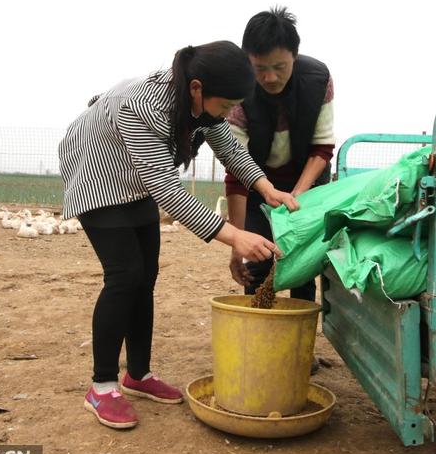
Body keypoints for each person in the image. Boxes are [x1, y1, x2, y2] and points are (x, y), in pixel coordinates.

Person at [58, 40, 299, 430]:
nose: (224, 114)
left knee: (145, 275)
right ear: (197, 88)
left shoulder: (200, 102)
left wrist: (267, 188)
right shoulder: (143, 108)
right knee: (124, 277)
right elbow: (168, 190)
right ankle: (101, 387)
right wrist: (235, 236)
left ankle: (138, 374)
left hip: (136, 180)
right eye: (223, 106)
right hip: (97, 173)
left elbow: (230, 149)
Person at [225, 7, 335, 303]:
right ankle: (257, 326)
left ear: (294, 57)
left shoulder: (318, 78)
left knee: (302, 262)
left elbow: (322, 147)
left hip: (307, 182)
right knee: (257, 259)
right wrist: (237, 243)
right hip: (258, 185)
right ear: (248, 60)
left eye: (280, 67)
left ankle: (300, 337)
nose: (270, 77)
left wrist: (298, 196)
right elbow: (236, 169)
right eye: (260, 68)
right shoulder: (237, 92)